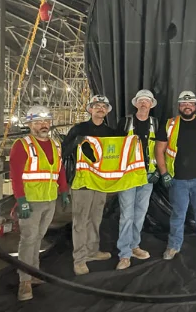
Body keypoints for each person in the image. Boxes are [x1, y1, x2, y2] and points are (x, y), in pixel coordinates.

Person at [10, 106, 70, 301]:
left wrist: (63, 191)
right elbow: (16, 176)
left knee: (38, 237)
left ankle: (33, 272)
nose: (43, 125)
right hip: (31, 200)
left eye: (45, 121)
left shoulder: (54, 144)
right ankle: (24, 281)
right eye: (37, 122)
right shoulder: (22, 145)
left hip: (49, 199)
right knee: (28, 239)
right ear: (29, 124)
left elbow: (59, 170)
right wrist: (21, 200)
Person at [154, 90, 196, 260]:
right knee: (178, 214)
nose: (187, 106)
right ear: (179, 106)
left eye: (190, 104)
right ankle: (174, 245)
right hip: (177, 180)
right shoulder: (169, 125)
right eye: (184, 104)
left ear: (195, 106)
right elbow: (159, 150)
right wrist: (164, 173)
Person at [62, 95, 117, 276]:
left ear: (107, 110)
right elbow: (64, 151)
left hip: (100, 183)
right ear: (90, 109)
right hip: (82, 182)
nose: (100, 109)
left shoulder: (110, 132)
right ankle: (79, 259)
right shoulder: (79, 129)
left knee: (95, 218)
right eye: (96, 106)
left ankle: (92, 251)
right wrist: (76, 142)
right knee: (81, 220)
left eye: (103, 106)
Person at [114, 90, 160, 270]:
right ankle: (124, 254)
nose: (143, 104)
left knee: (140, 213)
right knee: (126, 215)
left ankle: (134, 245)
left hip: (146, 176)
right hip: (128, 176)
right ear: (136, 104)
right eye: (141, 101)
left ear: (150, 105)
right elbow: (116, 148)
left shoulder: (155, 123)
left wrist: (156, 170)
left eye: (146, 101)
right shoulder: (125, 122)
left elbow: (159, 148)